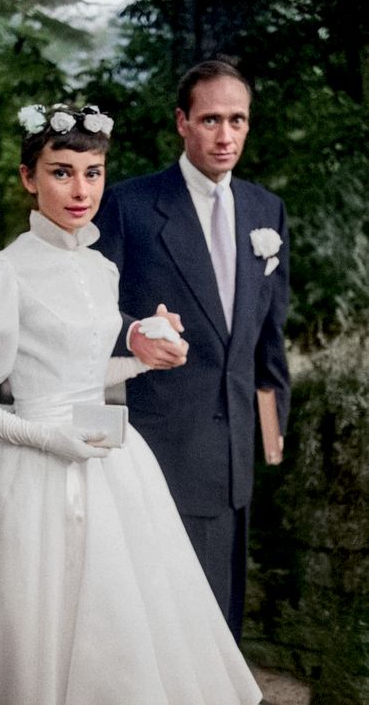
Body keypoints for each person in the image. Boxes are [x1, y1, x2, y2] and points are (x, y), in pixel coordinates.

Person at [0, 103, 262, 705]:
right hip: (29, 466)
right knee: (25, 622)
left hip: (109, 459)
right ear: (27, 178)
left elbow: (86, 376)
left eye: (92, 173)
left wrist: (146, 355)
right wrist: (42, 438)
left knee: (120, 619)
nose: (80, 189)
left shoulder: (99, 268)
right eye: (61, 172)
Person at [94, 59, 291, 643]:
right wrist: (137, 331)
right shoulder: (129, 206)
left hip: (235, 454)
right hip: (155, 446)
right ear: (182, 123)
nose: (225, 135)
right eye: (210, 119)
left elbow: (268, 341)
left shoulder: (266, 211)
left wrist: (270, 439)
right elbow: (86, 315)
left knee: (221, 619)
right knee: (160, 623)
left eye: (237, 119)